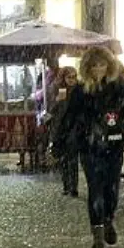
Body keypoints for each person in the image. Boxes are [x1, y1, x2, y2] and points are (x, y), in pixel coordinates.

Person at [60, 46, 124, 248]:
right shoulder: (80, 92)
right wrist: (61, 141)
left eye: (102, 64)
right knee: (95, 190)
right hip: (90, 147)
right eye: (94, 65)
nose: (99, 69)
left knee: (112, 189)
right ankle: (97, 233)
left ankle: (108, 219)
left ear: (109, 66)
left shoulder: (116, 88)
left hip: (113, 146)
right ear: (87, 68)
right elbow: (69, 117)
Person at [48, 66, 80, 197]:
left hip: (74, 127)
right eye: (69, 77)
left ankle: (73, 187)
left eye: (74, 77)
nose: (72, 80)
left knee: (72, 158)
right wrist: (58, 101)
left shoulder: (79, 90)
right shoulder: (57, 89)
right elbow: (52, 109)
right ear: (64, 77)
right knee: (63, 158)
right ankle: (66, 185)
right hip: (60, 128)